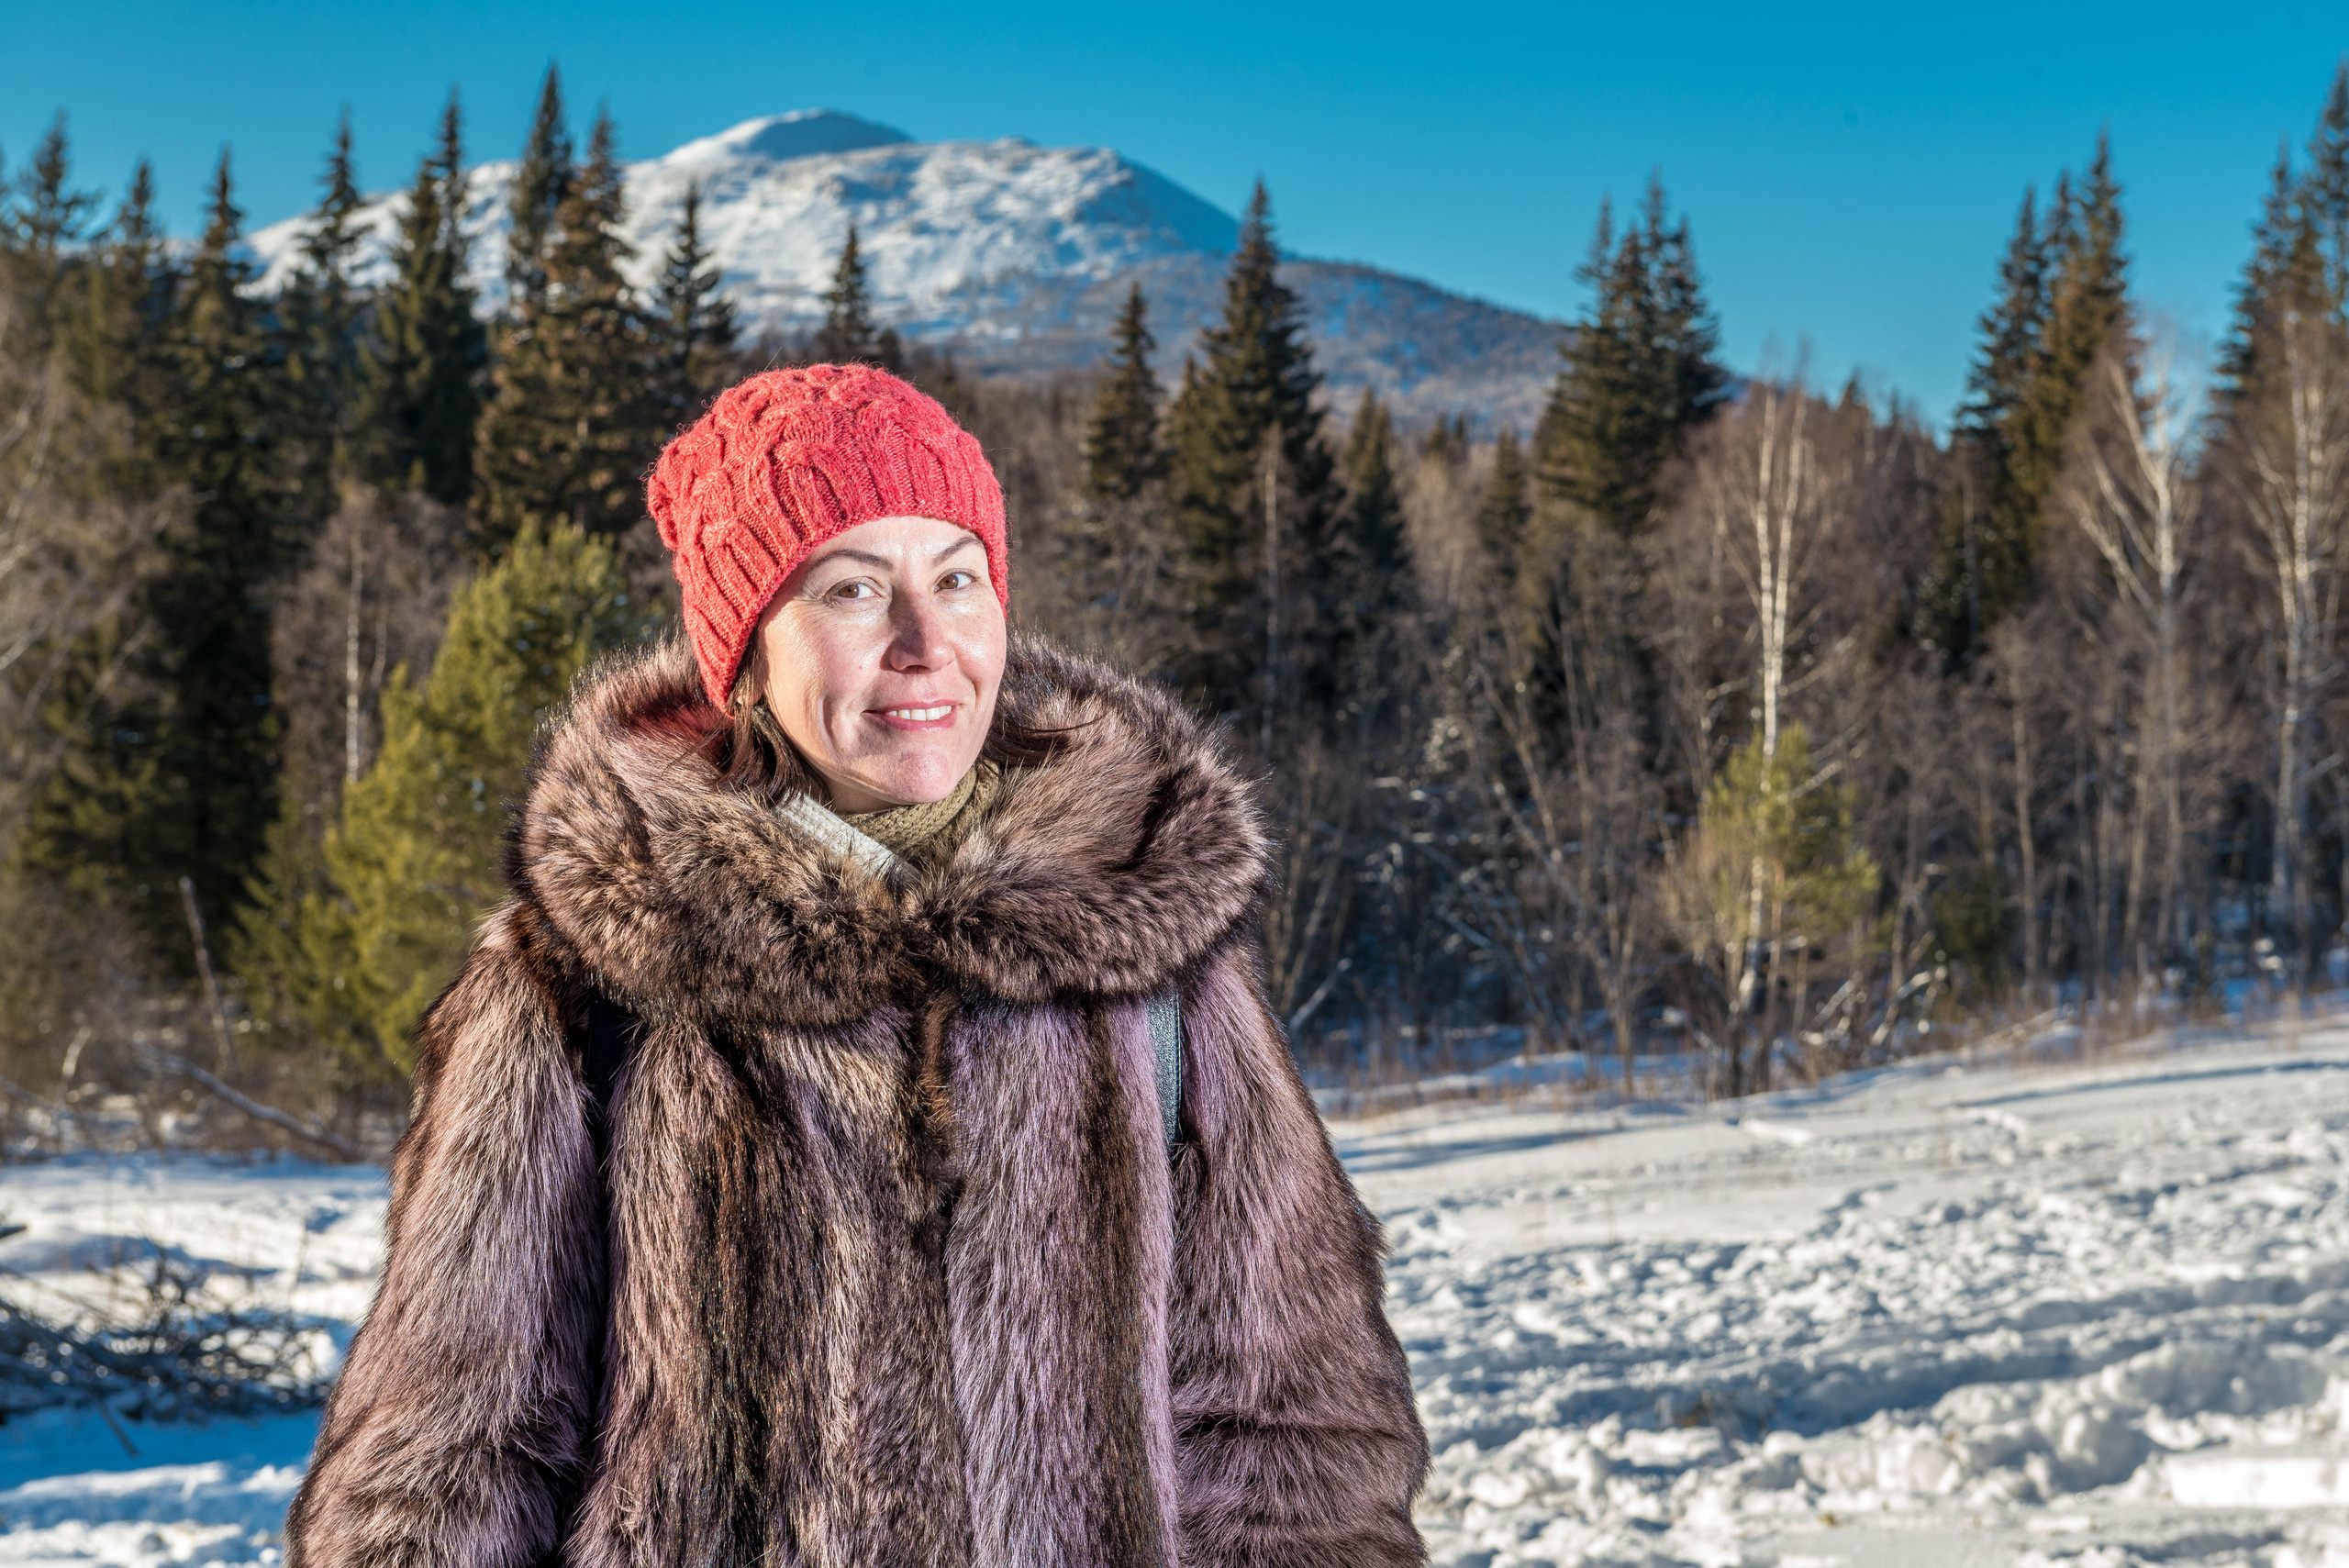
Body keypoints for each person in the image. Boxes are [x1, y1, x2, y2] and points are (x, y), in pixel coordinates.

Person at [284, 364, 1429, 1567]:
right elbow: (445, 1463)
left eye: (958, 580)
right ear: (744, 655)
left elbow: (1292, 1432)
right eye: (852, 589)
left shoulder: (1149, 959)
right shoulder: (586, 983)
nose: (925, 646)